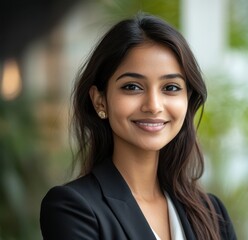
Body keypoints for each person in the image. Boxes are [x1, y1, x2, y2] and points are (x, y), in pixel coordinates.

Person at [40, 13, 237, 240]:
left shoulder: (212, 213)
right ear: (100, 100)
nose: (153, 106)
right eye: (132, 87)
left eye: (171, 88)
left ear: (187, 100)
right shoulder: (73, 209)